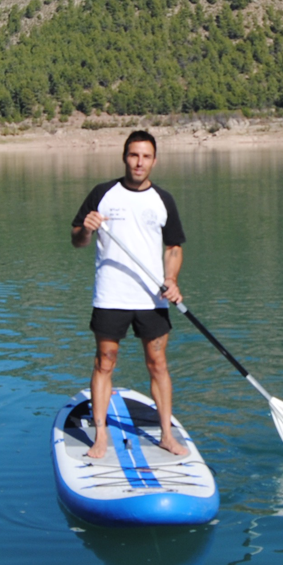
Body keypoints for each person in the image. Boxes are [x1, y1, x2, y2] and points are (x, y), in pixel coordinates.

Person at [71, 130, 188, 458]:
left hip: (151, 298)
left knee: (158, 363)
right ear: (125, 157)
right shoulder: (102, 193)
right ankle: (100, 435)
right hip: (110, 296)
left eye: (146, 156)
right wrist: (86, 228)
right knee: (105, 362)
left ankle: (166, 434)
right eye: (134, 155)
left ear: (154, 160)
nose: (139, 162)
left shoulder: (162, 200)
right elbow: (76, 240)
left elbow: (174, 247)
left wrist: (171, 279)